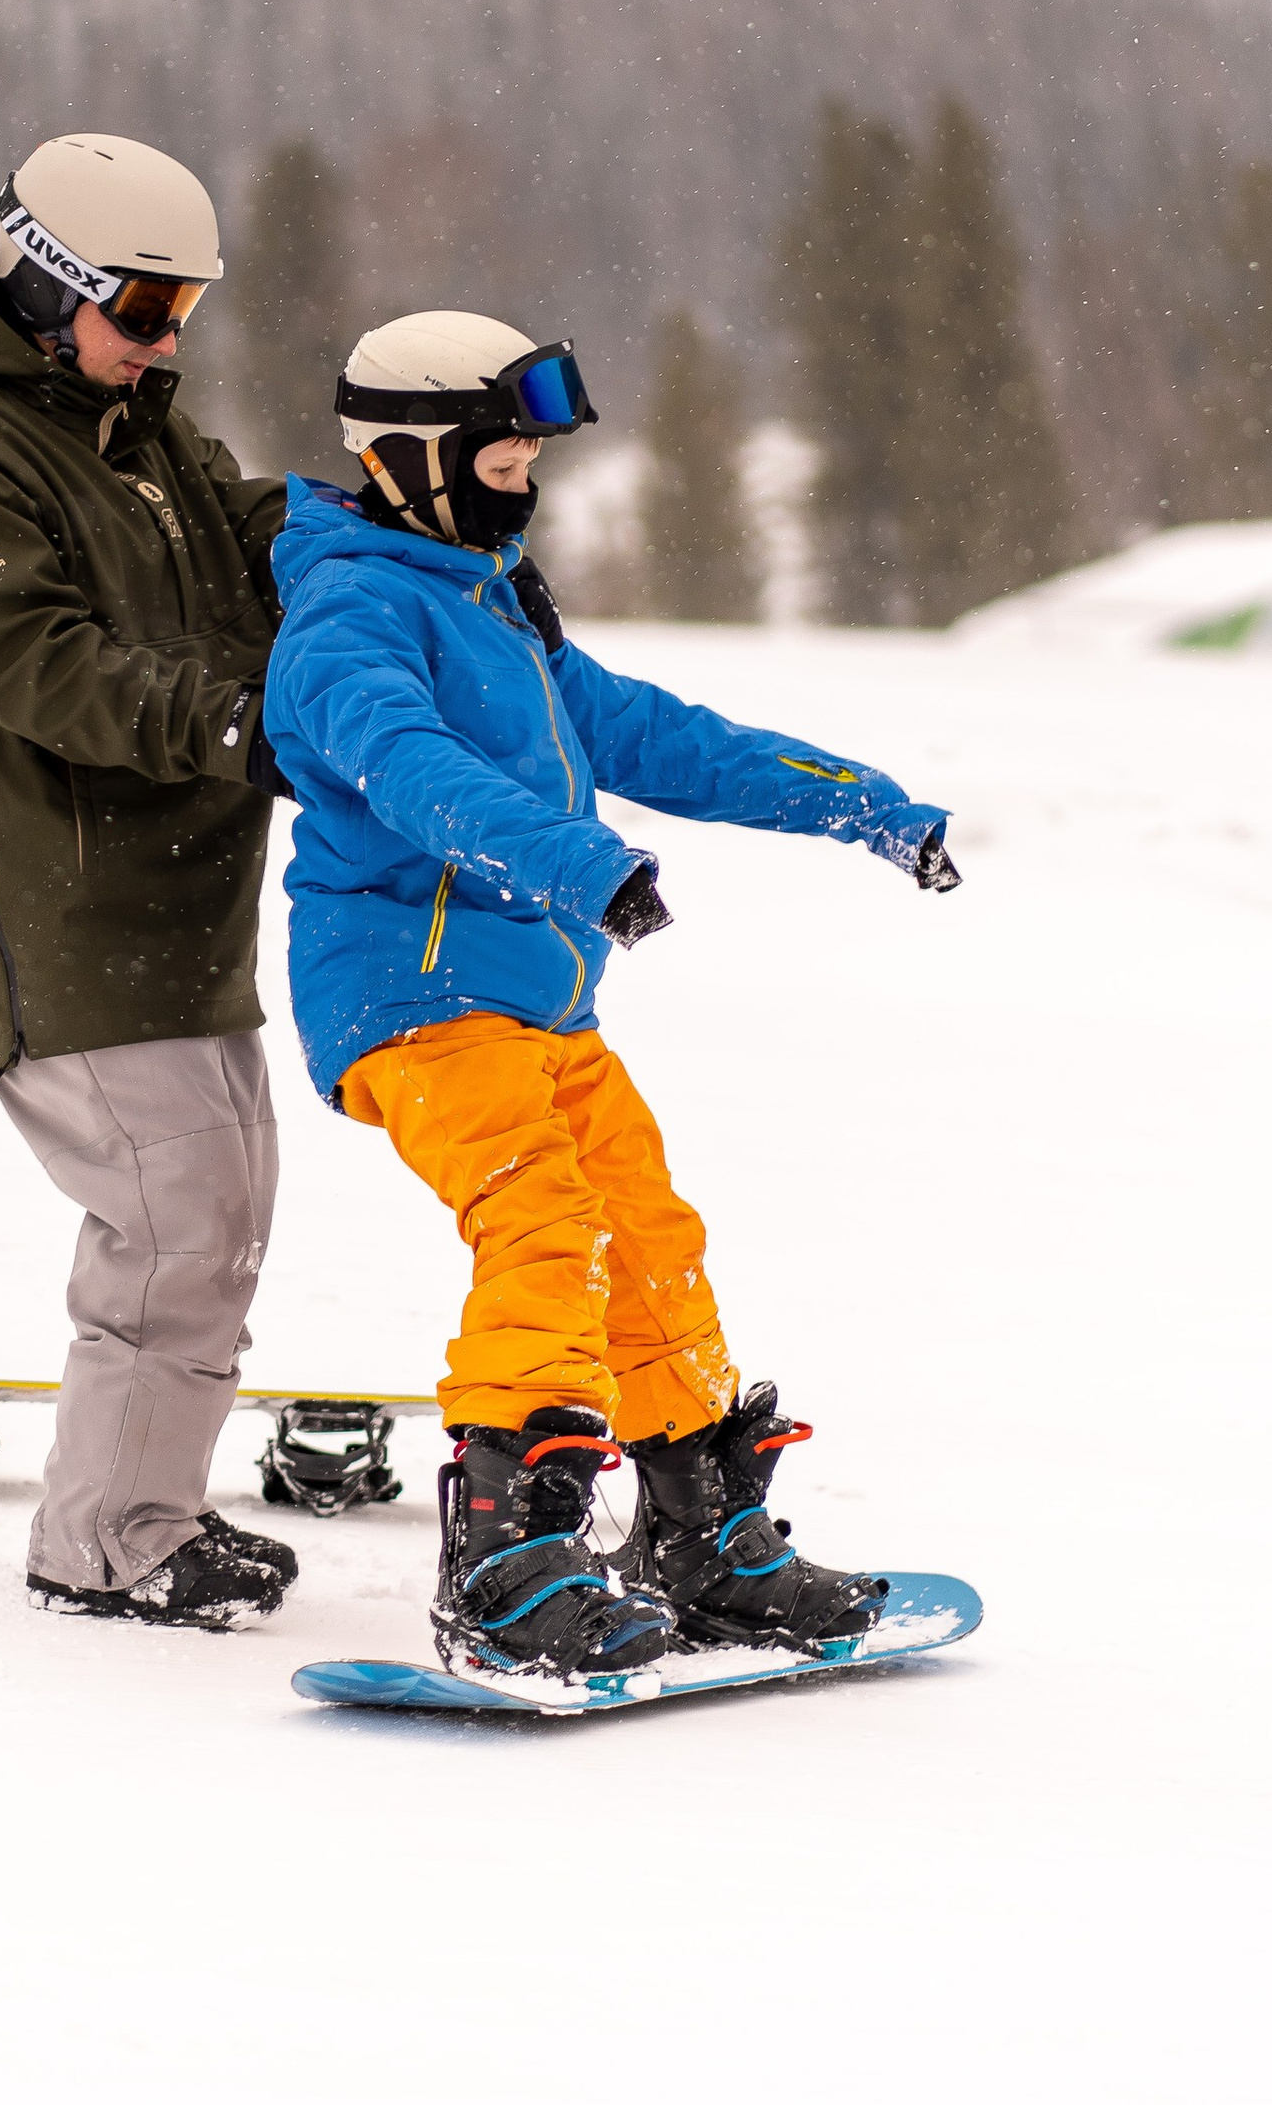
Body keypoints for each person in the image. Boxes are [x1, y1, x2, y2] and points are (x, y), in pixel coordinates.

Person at [260, 309, 962, 1682]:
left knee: (646, 1233)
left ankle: (704, 1537)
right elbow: (409, 769)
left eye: (531, 454)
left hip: (536, 1002)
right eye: (504, 454)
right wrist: (580, 863)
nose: (527, 476)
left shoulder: (492, 607)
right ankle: (506, 1560)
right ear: (414, 456)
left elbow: (655, 736)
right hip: (412, 994)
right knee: (542, 1220)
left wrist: (862, 805)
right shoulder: (349, 614)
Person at [0, 133, 300, 1635]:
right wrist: (240, 725)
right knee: (178, 1227)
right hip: (62, 921)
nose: (168, 340)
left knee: (220, 1222)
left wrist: (407, 552)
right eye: (144, 307)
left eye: (187, 310)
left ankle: (147, 1507)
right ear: (49, 282)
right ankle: (106, 1541)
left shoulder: (142, 434)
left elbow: (257, 540)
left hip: (181, 912)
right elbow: (45, 667)